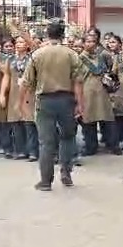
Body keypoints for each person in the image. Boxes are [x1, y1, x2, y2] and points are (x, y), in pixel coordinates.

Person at [19, 19, 84, 190]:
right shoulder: (71, 54)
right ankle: (66, 173)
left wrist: (21, 103)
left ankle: (46, 181)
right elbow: (78, 82)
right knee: (68, 137)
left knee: (46, 142)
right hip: (66, 101)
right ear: (62, 35)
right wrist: (80, 103)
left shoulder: (38, 54)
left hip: (45, 101)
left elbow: (25, 82)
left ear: (47, 34)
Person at [78, 33, 119, 156]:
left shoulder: (101, 57)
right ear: (83, 44)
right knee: (88, 121)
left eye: (93, 42)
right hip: (87, 92)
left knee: (107, 119)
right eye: (88, 42)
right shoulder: (79, 59)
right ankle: (90, 147)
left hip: (102, 92)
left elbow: (109, 70)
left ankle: (112, 145)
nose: (91, 44)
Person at [1, 35, 38, 161]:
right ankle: (20, 150)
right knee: (16, 122)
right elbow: (6, 76)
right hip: (14, 93)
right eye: (17, 42)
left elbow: (35, 46)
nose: (18, 44)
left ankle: (33, 151)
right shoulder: (10, 59)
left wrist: (21, 31)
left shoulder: (32, 57)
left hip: (29, 92)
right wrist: (2, 94)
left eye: (22, 42)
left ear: (27, 44)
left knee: (29, 122)